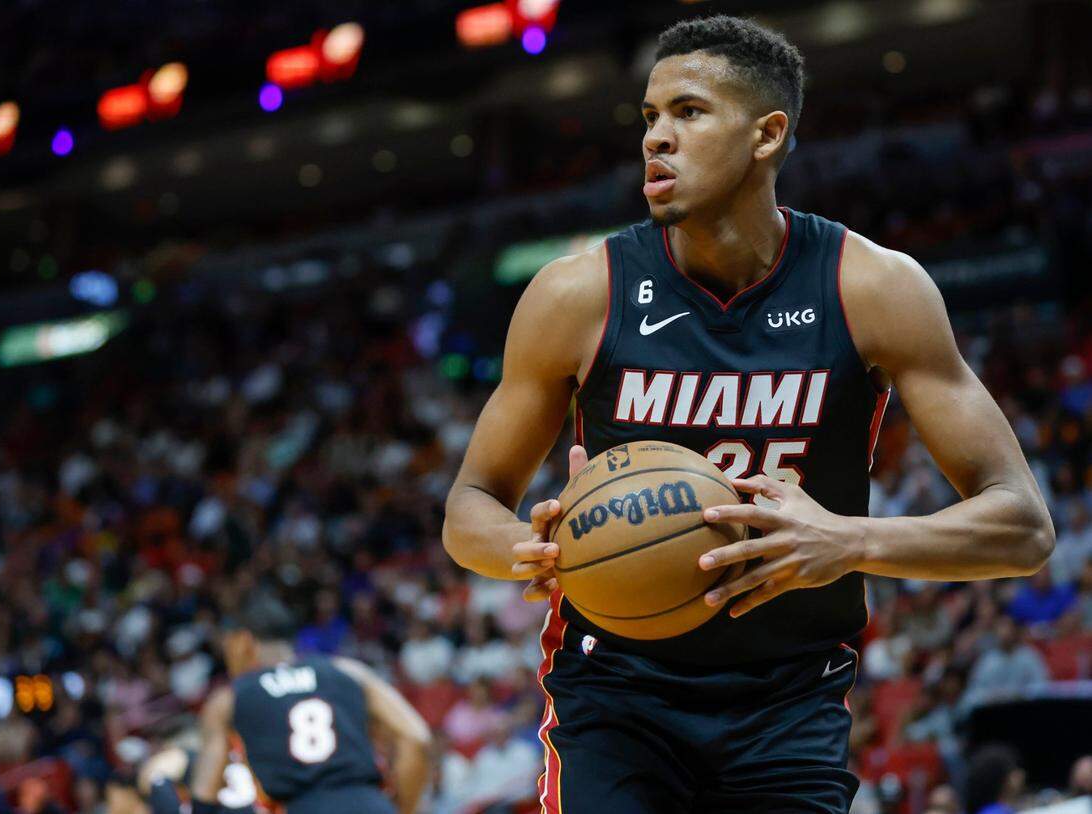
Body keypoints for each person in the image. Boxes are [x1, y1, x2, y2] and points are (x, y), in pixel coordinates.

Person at [442, 13, 1054, 813]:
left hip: (788, 700)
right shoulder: (577, 293)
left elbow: (1023, 528)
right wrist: (535, 549)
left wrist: (848, 540)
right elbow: (468, 505)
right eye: (650, 118)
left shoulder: (872, 288)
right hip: (615, 695)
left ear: (767, 134)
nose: (656, 139)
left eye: (688, 113)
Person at [188, 600, 431, 814]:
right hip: (369, 802)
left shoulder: (229, 698)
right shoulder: (347, 670)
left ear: (244, 641)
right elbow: (417, 737)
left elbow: (205, 792)